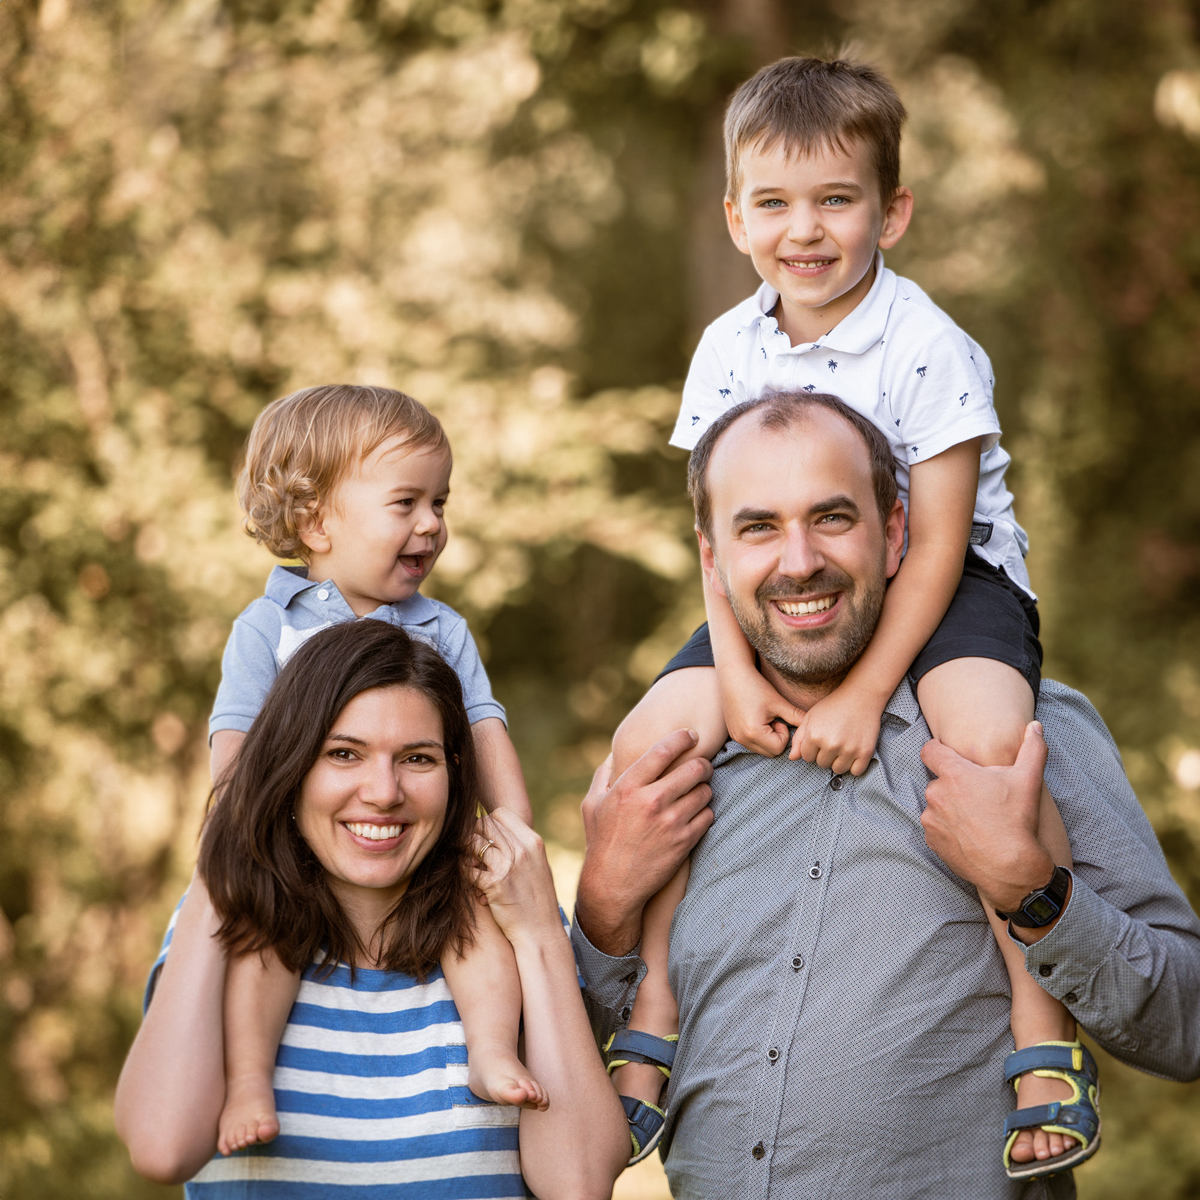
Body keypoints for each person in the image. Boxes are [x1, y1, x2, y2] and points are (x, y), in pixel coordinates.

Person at [606, 55, 1078, 1179]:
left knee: (989, 737)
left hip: (952, 582)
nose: (804, 229)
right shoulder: (727, 348)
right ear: (736, 218)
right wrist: (736, 676)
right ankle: (655, 1008)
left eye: (835, 199)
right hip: (779, 591)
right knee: (650, 745)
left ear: (891, 212)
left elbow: (940, 542)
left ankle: (1040, 1032)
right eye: (773, 202)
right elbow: (715, 539)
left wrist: (868, 694)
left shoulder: (928, 345)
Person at [573, 391, 1200, 1198]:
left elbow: (1187, 1028)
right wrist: (603, 910)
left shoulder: (1017, 740)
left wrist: (1036, 894)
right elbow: (533, 1079)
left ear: (897, 530)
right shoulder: (668, 772)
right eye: (758, 527)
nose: (799, 560)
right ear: (712, 556)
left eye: (832, 518)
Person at [114, 619, 629, 1198]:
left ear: (455, 775)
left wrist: (539, 935)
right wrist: (227, 855)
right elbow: (162, 1149)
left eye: (417, 759)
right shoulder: (226, 919)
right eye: (343, 754)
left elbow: (580, 1185)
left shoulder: (509, 929)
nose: (384, 792)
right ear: (289, 767)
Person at [205, 384, 539, 1156]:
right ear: (315, 521)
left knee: (474, 923)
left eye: (439, 502)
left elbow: (484, 727)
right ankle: (249, 1079)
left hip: (416, 847)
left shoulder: (439, 628)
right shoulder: (270, 627)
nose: (432, 524)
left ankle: (491, 1050)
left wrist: (512, 832)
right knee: (263, 937)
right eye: (406, 503)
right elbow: (235, 741)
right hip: (299, 846)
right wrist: (241, 834)